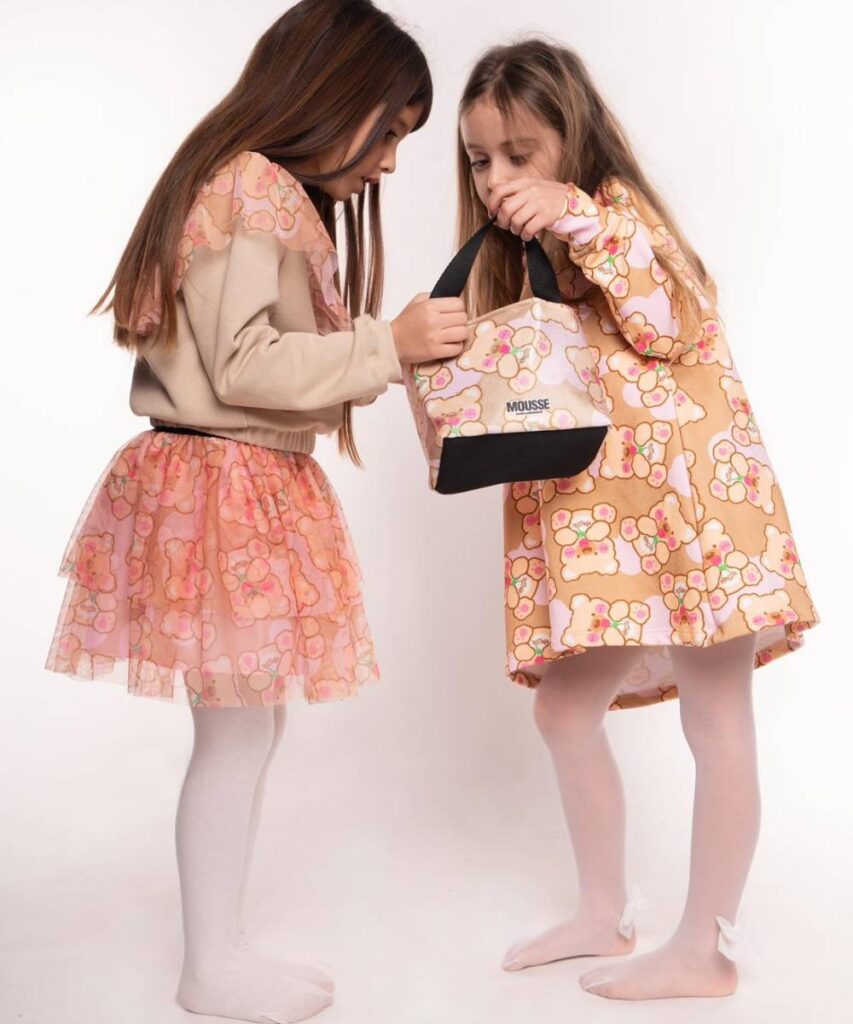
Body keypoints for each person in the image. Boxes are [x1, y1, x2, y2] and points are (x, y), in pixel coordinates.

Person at [44, 2, 467, 1020]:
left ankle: (218, 944)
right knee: (237, 734)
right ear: (332, 97)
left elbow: (255, 363)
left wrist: (391, 357)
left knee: (246, 728)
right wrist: (386, 345)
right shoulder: (254, 191)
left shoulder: (256, 188)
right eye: (391, 129)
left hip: (232, 477)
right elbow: (244, 363)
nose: (394, 163)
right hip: (220, 481)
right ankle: (209, 963)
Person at [455, 38, 819, 1000]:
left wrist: (575, 214)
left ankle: (705, 950)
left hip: (696, 513)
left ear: (572, 137)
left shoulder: (618, 216)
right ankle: (601, 909)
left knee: (717, 713)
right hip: (612, 526)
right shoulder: (530, 257)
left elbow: (667, 323)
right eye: (481, 159)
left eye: (519, 152)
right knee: (563, 706)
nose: (497, 178)